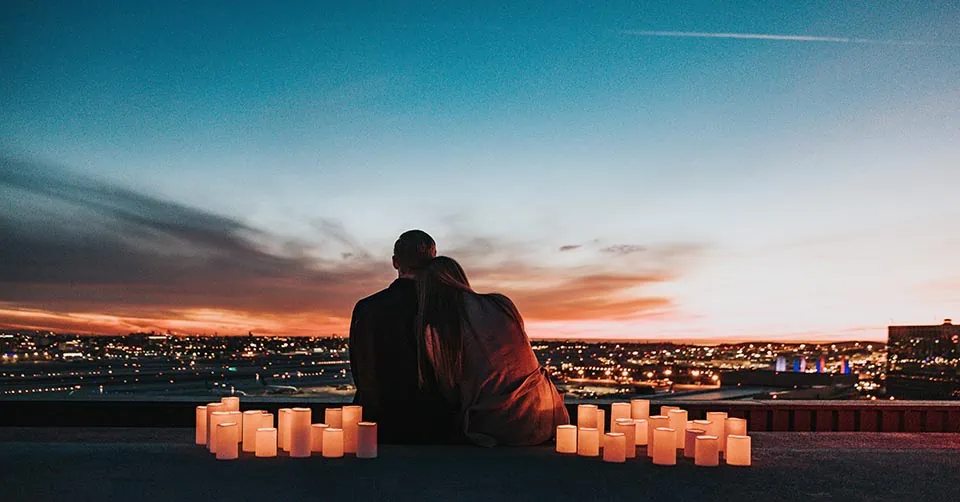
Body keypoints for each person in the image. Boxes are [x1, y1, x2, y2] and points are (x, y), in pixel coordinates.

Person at [416, 256, 570, 446]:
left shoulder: (438, 330)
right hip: (549, 415)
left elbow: (449, 391)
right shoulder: (501, 303)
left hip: (502, 426)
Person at [349, 230, 457, 443]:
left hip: (380, 424)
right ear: (433, 261)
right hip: (435, 425)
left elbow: (361, 372)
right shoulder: (447, 308)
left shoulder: (366, 308)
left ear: (395, 262)